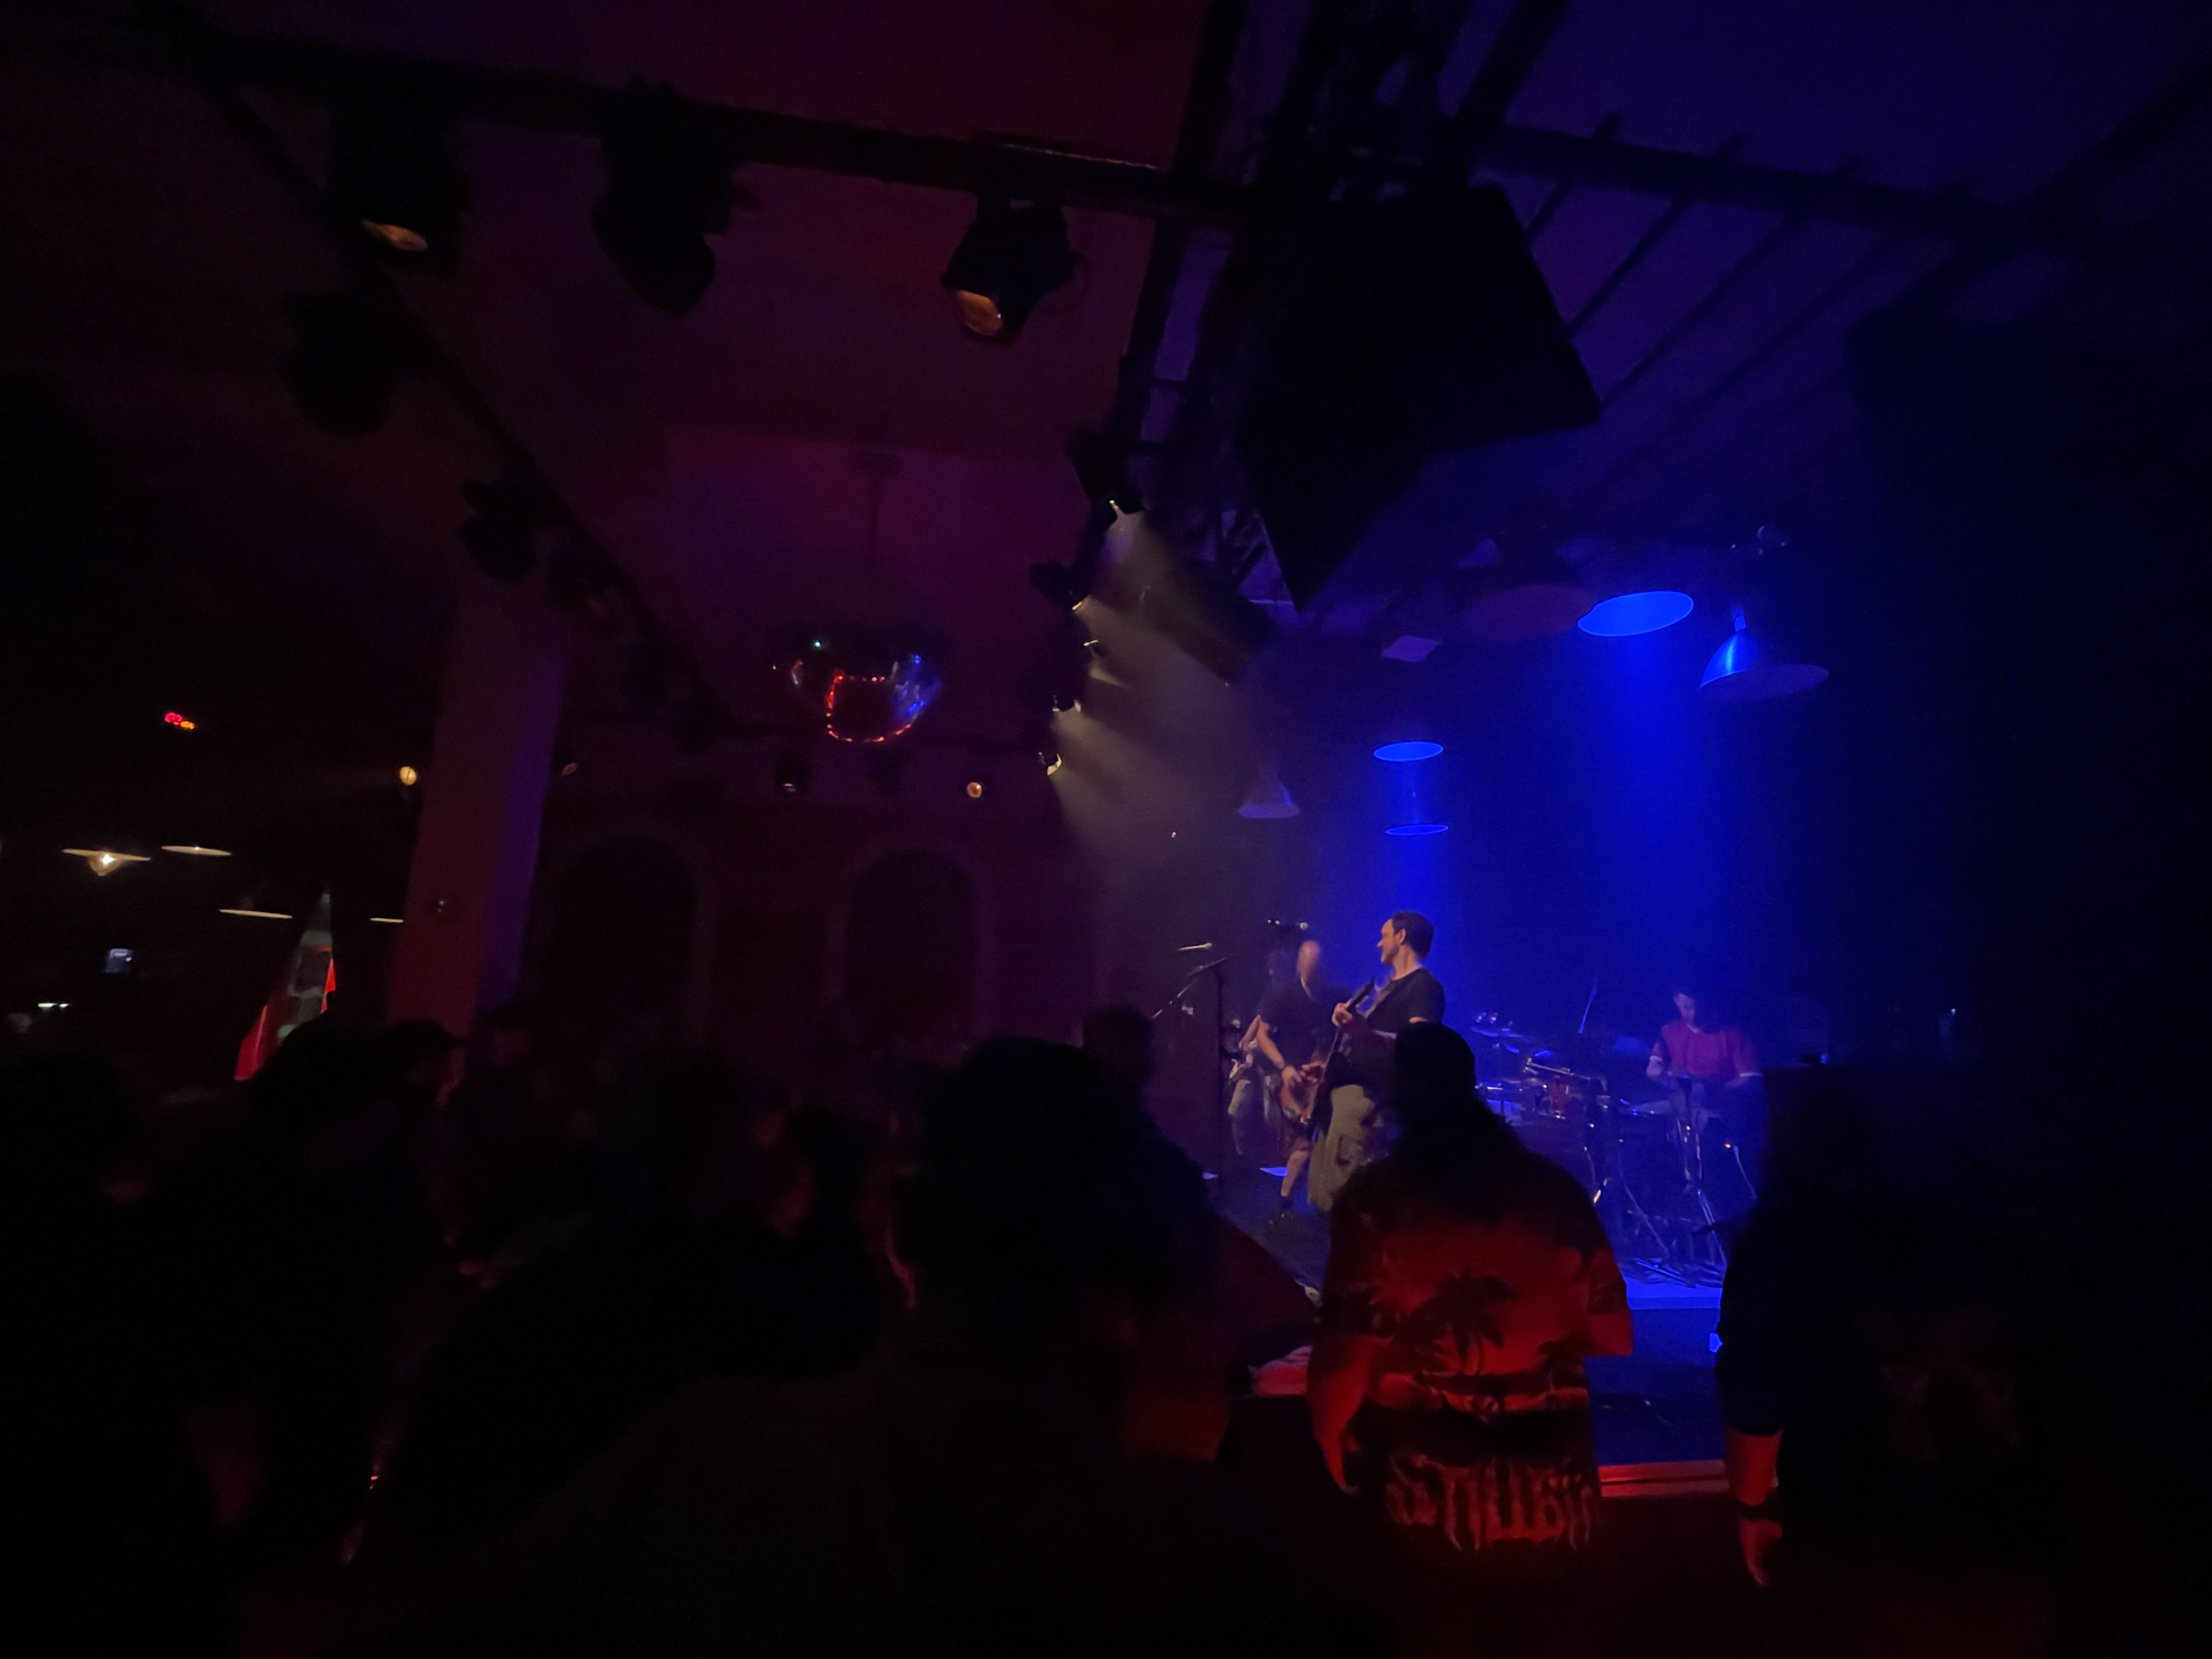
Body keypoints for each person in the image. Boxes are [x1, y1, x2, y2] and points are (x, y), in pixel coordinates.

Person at [378, 1040, 1369, 1657]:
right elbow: (1271, 1306)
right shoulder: (1185, 1559)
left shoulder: (709, 1452)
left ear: (902, 1238)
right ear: (1137, 1303)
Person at [1307, 1025, 1632, 1659]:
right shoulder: (1554, 1194)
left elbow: (1343, 1362)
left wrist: (1327, 1439)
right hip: (1556, 1509)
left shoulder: (1378, 1203)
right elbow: (1615, 1335)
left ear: (1397, 1095)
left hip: (1428, 1516)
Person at [1299, 911, 1443, 1212]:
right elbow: (1364, 1044)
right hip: (1342, 1096)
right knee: (1326, 1194)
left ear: (1401, 936)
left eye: (1384, 935)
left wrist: (1363, 1032)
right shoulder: (1382, 988)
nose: (1379, 943)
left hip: (1369, 1100)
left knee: (1349, 1194)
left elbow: (1419, 1044)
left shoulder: (1424, 986)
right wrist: (1329, 1067)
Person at [1234, 940, 1348, 1202]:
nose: (1315, 976)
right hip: (1285, 1072)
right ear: (1299, 967)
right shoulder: (1282, 995)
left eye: (1319, 970)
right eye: (1310, 969)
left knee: (1311, 1142)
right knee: (1299, 1134)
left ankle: (1290, 1202)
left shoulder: (1336, 996)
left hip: (1319, 1076)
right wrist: (1284, 1068)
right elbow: (1263, 1036)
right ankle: (1281, 1199)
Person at [1646, 982, 1763, 1195]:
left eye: (1698, 1008)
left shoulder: (1731, 1035)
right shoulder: (1669, 1032)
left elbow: (1751, 1081)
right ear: (1677, 1002)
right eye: (1687, 1008)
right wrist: (1661, 1074)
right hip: (1680, 1109)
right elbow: (1653, 1067)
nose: (1694, 1014)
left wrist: (1716, 1089)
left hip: (1719, 1112)